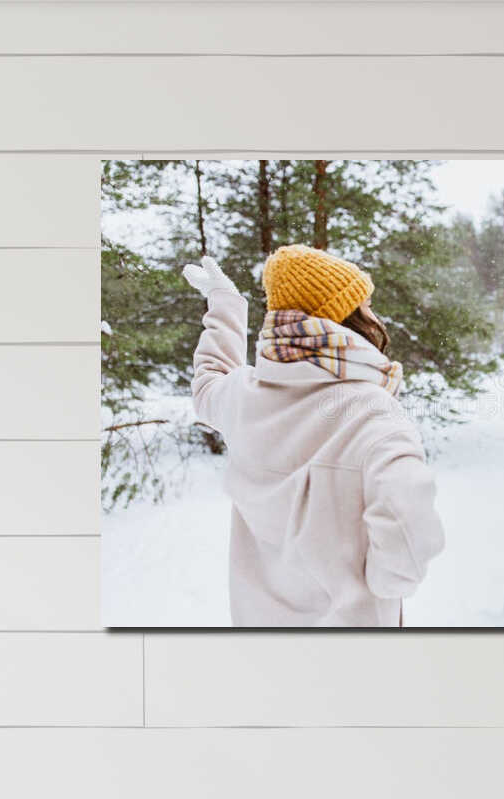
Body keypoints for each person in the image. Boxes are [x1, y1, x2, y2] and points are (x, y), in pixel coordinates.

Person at [181, 245, 445, 627]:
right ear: (345, 319)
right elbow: (409, 528)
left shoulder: (245, 395)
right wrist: (382, 589)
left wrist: (225, 305)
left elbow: (208, 384)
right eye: (366, 306)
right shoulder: (372, 411)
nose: (375, 317)